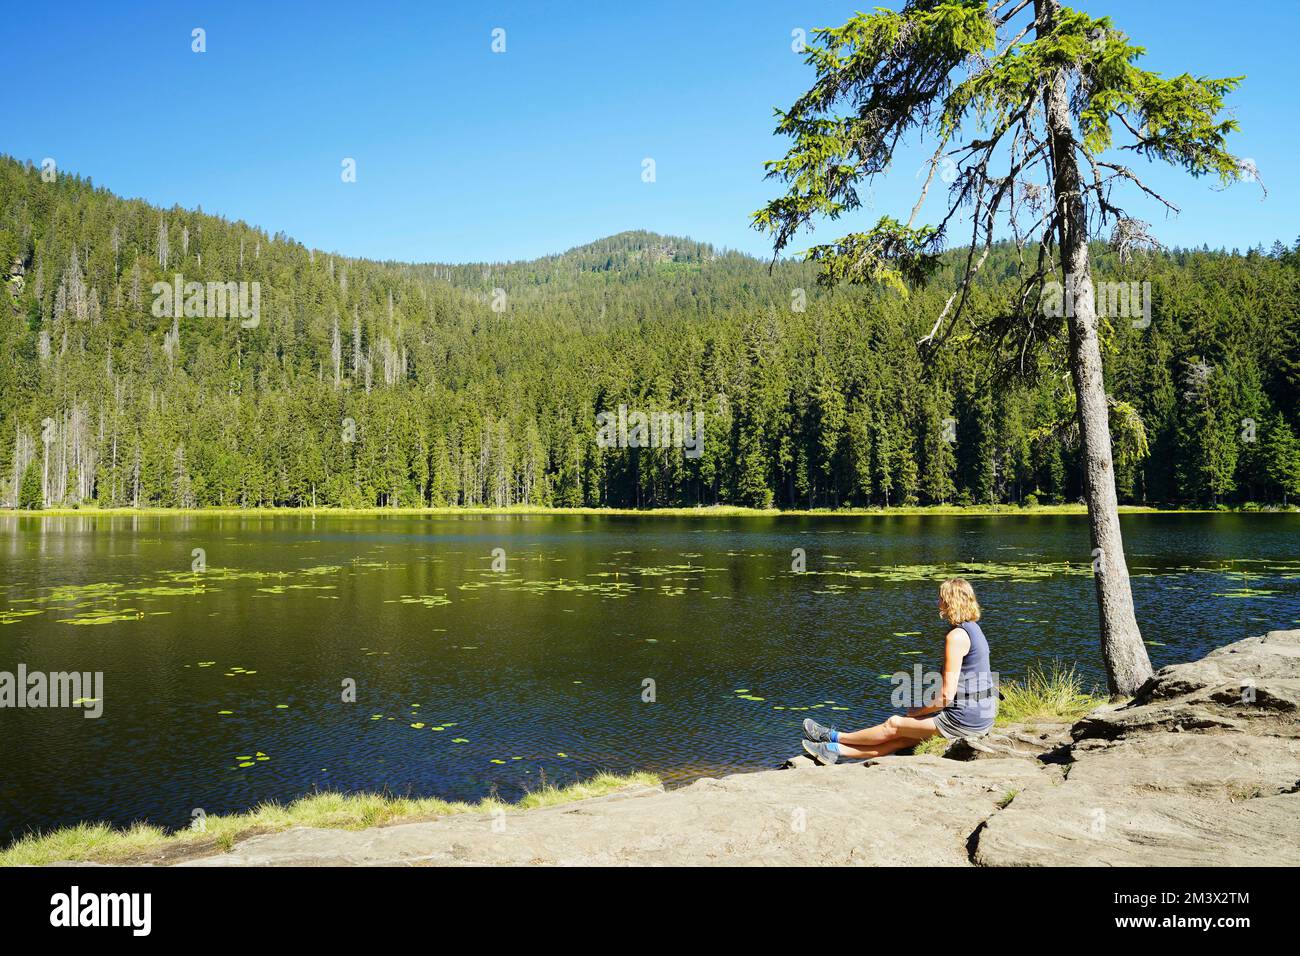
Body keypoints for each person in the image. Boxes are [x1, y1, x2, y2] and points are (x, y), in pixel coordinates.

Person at [802, 577, 997, 764]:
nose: (937, 602)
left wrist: (917, 712)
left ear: (949, 602)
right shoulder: (974, 629)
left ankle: (833, 737)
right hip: (983, 714)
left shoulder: (956, 637)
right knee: (903, 738)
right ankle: (832, 751)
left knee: (894, 724)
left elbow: (946, 695)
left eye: (940, 598)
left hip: (965, 719)